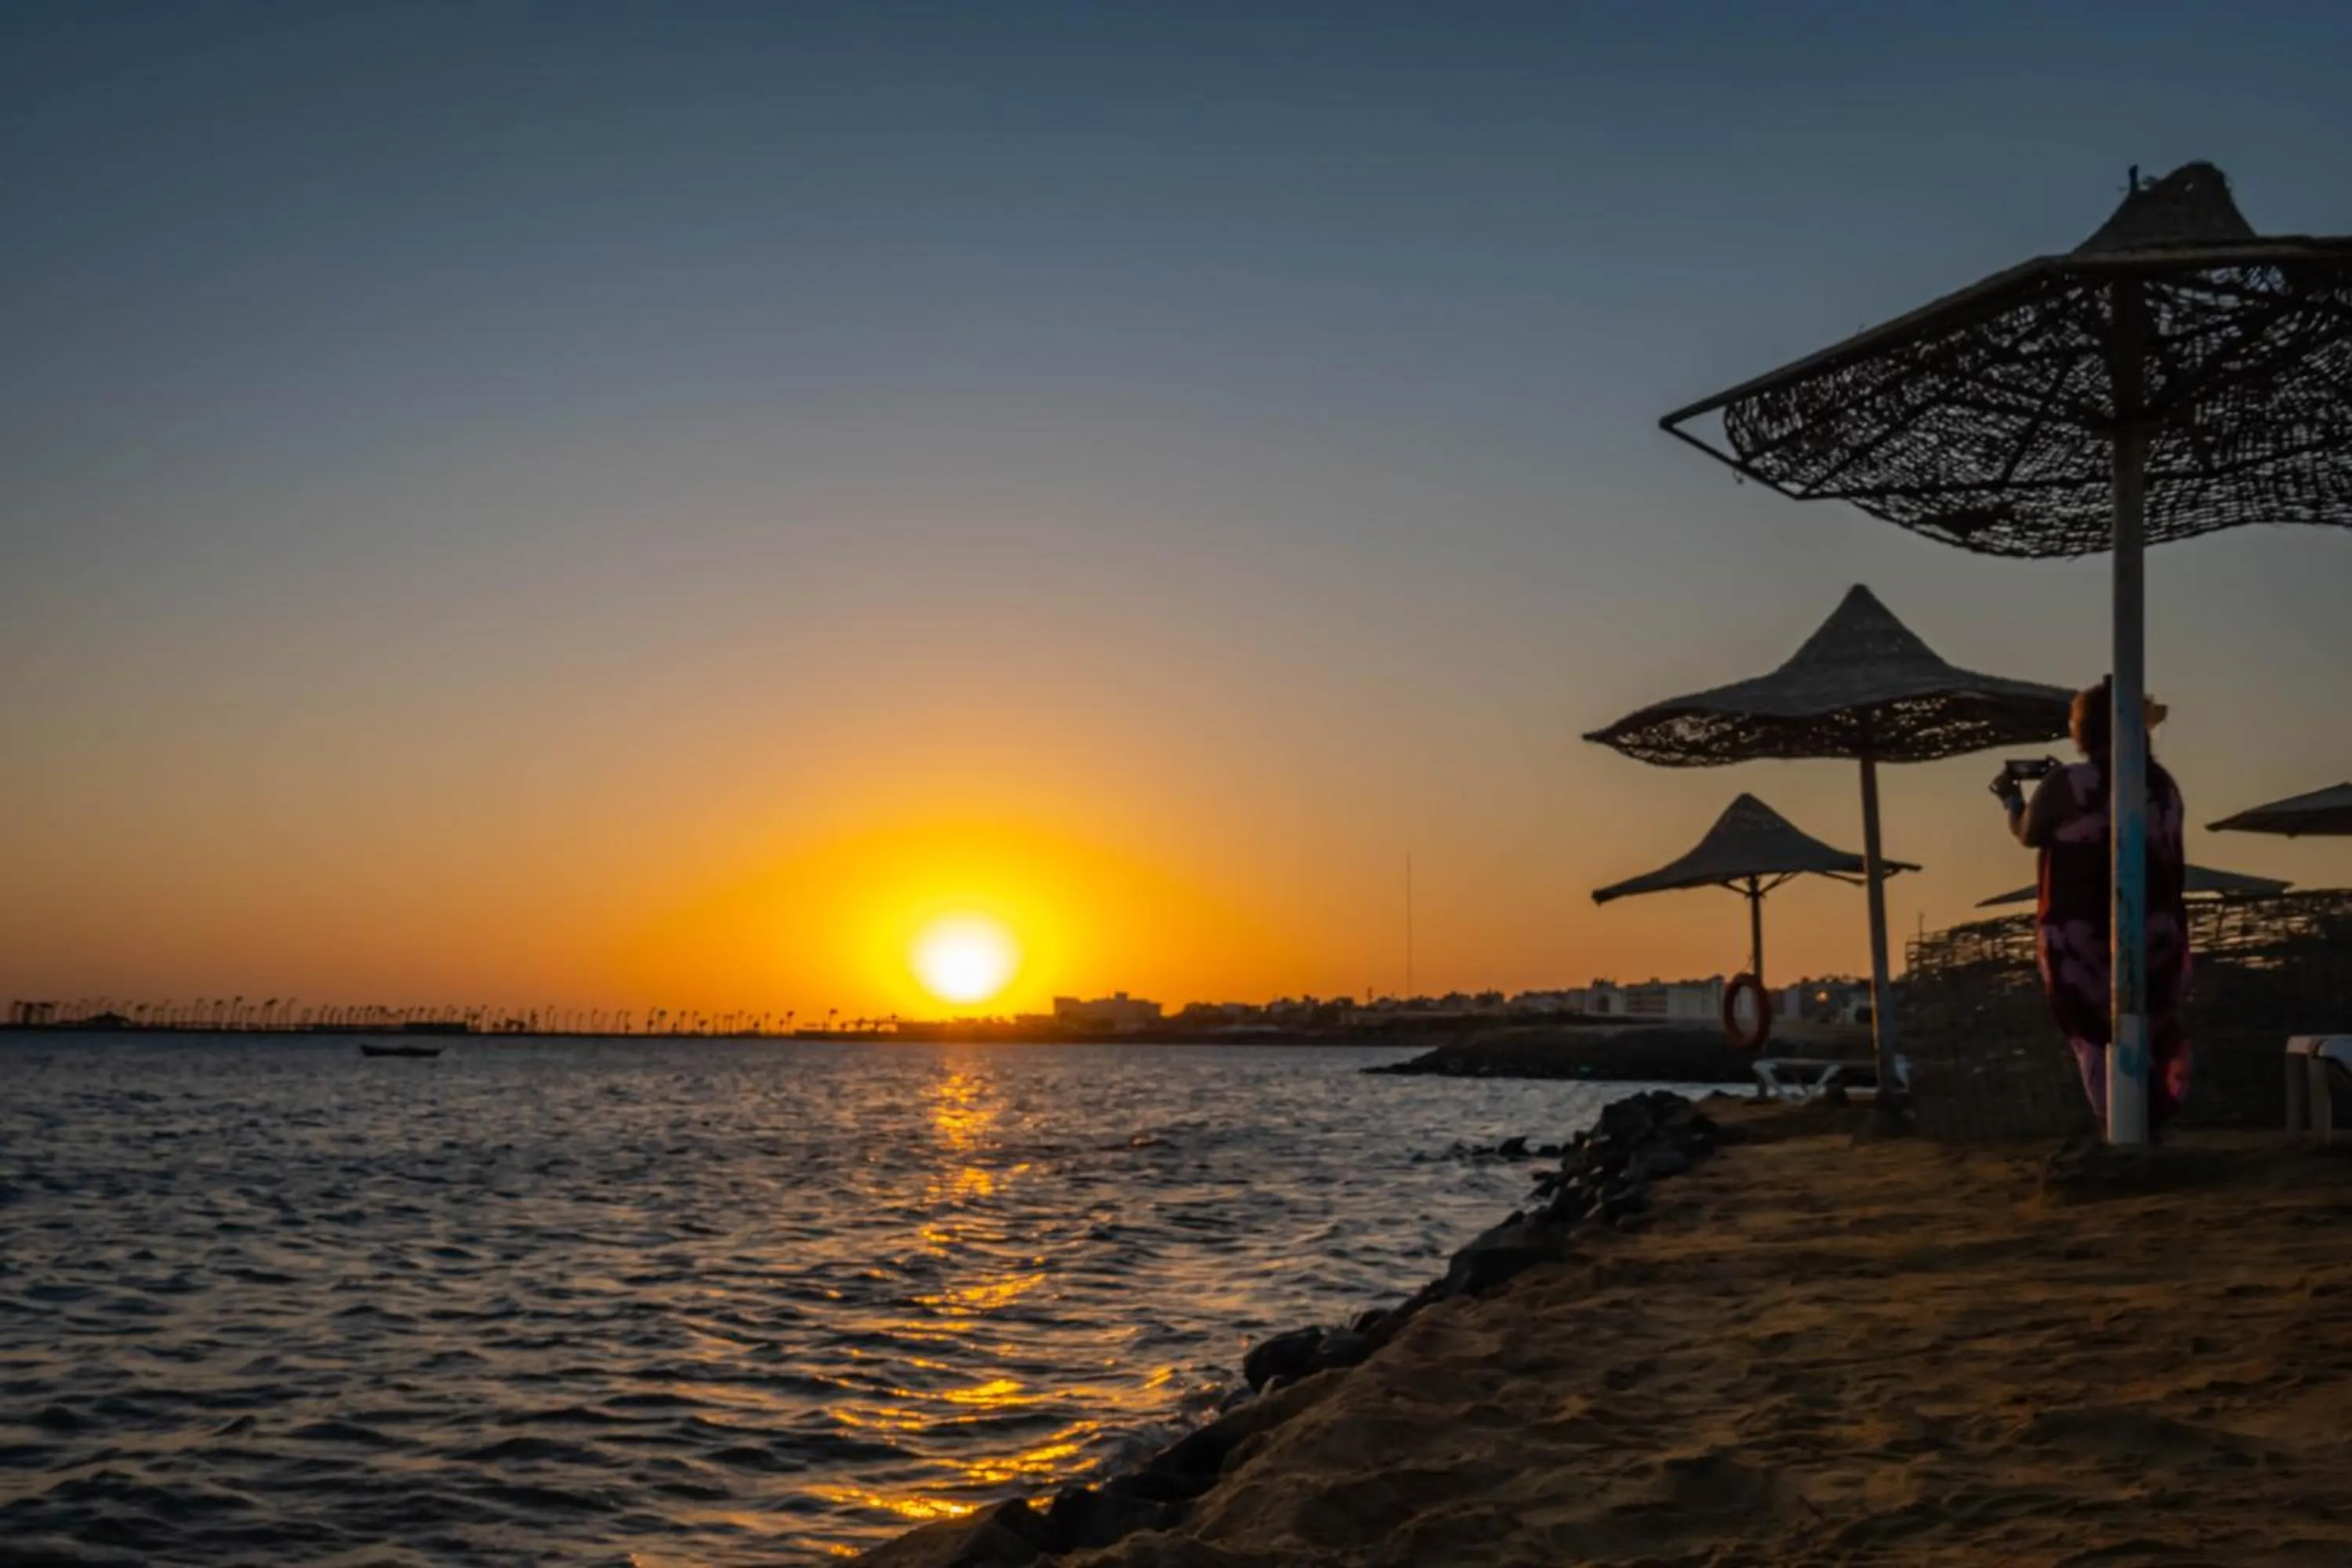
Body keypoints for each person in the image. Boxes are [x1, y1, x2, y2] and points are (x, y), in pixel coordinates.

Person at [1994, 677, 2191, 1136]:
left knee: (2092, 1029)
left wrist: (2011, 800)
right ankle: (2152, 1120)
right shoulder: (2163, 787)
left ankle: (2118, 1128)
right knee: (2151, 1022)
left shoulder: (2070, 783)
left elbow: (2028, 832)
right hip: (2157, 925)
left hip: (2083, 933)